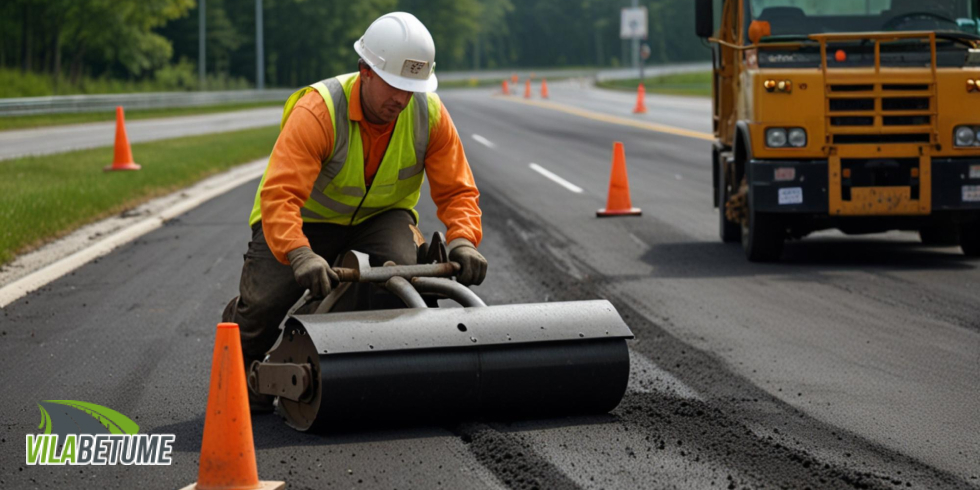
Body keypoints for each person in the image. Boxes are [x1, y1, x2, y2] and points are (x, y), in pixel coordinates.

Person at [222, 11, 487, 412]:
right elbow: (280, 195)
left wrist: (464, 241)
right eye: (394, 85)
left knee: (398, 279)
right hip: (304, 221)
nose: (401, 99)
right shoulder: (319, 111)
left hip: (379, 220)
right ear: (365, 70)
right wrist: (299, 253)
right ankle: (244, 359)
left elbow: (458, 191)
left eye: (412, 88)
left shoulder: (428, 114)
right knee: (262, 306)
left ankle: (323, 348)